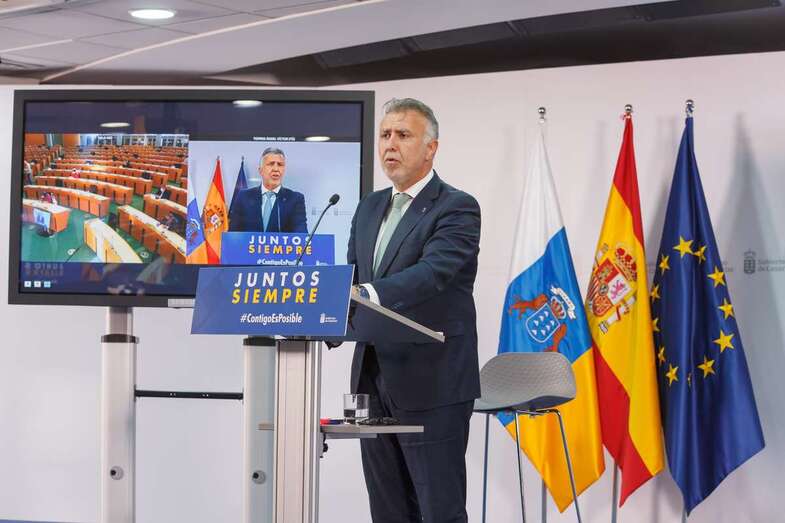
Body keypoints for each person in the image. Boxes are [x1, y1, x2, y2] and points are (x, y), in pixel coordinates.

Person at [347, 98, 481, 522]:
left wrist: (366, 293)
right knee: (387, 510)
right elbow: (351, 275)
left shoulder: (456, 206)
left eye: (403, 135)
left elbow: (432, 274)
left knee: (438, 510)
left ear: (431, 147)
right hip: (373, 378)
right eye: (385, 135)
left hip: (433, 380)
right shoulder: (369, 206)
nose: (390, 144)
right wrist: (318, 317)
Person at [228, 148, 307, 233]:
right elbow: (233, 235)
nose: (276, 169)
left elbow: (301, 236)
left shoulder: (295, 199)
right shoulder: (243, 197)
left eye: (280, 165)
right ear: (260, 170)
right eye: (271, 164)